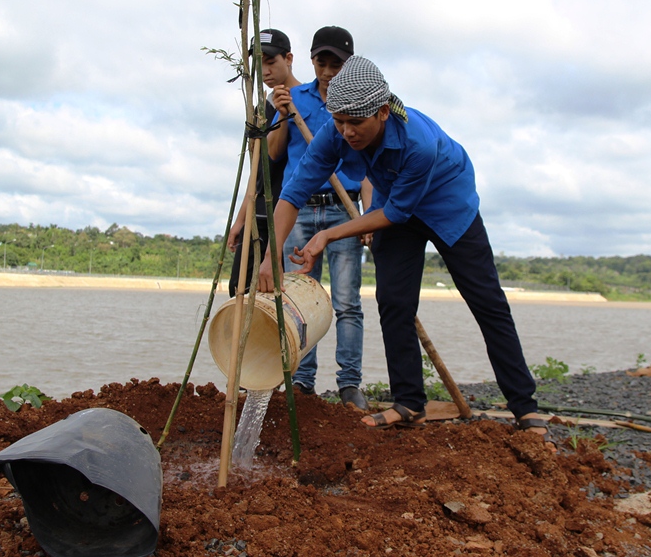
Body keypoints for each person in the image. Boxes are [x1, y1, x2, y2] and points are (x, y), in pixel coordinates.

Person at [259, 55, 553, 448]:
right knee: (394, 301)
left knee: (487, 302)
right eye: (340, 121)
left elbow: (396, 213)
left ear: (382, 112)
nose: (346, 132)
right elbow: (294, 191)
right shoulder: (337, 130)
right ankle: (409, 402)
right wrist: (270, 255)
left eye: (356, 123)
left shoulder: (419, 143)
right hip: (392, 202)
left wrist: (328, 235)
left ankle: (524, 406)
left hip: (447, 203)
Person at [266, 26, 371, 411]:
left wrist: (367, 215)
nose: (328, 71)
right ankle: (302, 382)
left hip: (343, 209)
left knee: (347, 302)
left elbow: (369, 171)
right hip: (300, 207)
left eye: (336, 64)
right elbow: (275, 156)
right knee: (298, 299)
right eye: (321, 62)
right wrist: (280, 116)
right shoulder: (292, 98)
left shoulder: (361, 102)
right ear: (311, 62)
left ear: (349, 65)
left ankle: (349, 384)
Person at [226, 29, 296, 296]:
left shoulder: (305, 102)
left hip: (287, 215)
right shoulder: (260, 110)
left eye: (271, 62)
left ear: (288, 59)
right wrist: (240, 220)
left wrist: (283, 114)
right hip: (257, 213)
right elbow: (256, 171)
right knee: (240, 290)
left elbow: (276, 155)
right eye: (260, 64)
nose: (265, 71)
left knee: (280, 296)